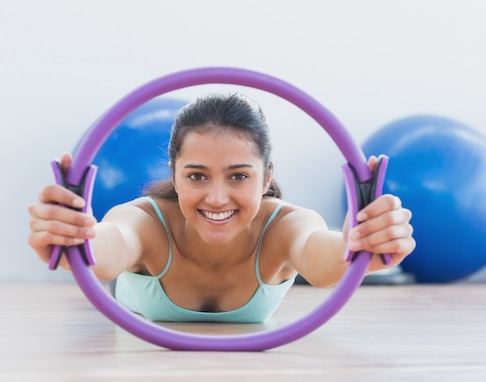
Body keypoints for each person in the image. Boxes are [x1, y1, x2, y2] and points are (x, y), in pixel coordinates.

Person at [28, 92, 415, 323]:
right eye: (197, 176)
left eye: (238, 176)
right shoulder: (144, 220)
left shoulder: (288, 225)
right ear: (175, 175)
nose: (216, 198)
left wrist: (359, 244)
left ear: (266, 178)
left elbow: (325, 258)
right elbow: (107, 248)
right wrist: (74, 239)